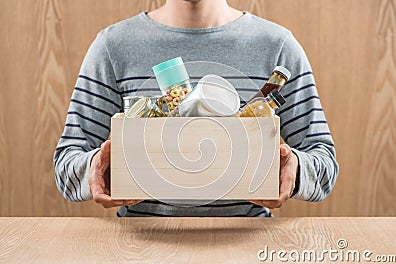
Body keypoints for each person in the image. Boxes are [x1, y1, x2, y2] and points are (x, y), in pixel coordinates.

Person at [54, 0, 338, 217]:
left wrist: (295, 169)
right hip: (139, 249)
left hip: (247, 247)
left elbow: (324, 163)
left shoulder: (278, 47)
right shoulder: (112, 47)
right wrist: (95, 168)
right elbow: (67, 163)